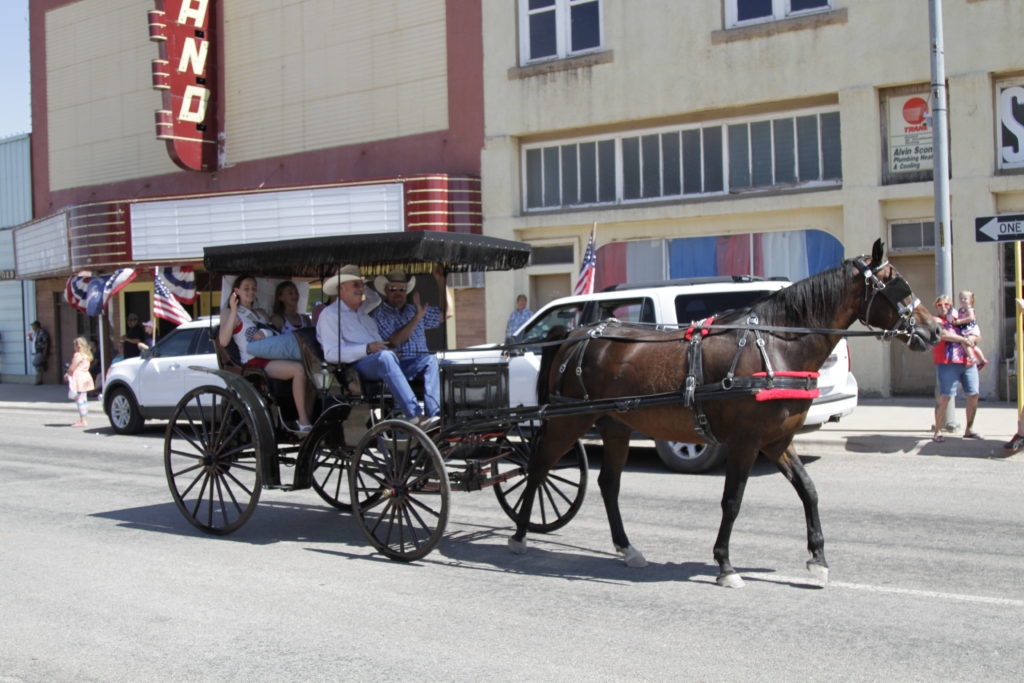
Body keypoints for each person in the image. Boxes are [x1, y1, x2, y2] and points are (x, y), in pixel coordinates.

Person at [315, 264, 438, 429]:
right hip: (355, 368)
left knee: (430, 359)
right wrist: (367, 348)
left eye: (362, 285)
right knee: (385, 357)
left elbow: (376, 299)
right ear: (341, 288)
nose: (361, 289)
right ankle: (415, 416)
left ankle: (434, 415)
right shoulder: (330, 315)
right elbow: (331, 354)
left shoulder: (362, 313)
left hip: (381, 360)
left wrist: (362, 288)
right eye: (355, 285)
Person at [219, 274, 313, 432]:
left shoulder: (261, 312)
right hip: (253, 361)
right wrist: (234, 310)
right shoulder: (229, 313)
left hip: (271, 354)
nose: (251, 292)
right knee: (298, 370)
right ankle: (303, 420)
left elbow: (273, 331)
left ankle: (308, 414)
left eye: (253, 289)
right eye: (246, 288)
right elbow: (223, 340)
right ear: (236, 291)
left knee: (311, 367)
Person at [372, 266, 449, 419]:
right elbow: (395, 340)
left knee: (441, 362)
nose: (398, 292)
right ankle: (432, 416)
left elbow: (447, 313)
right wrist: (417, 318)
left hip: (421, 364)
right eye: (393, 288)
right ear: (386, 290)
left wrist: (442, 282)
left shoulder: (414, 309)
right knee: (431, 360)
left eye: (402, 289)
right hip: (399, 366)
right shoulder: (379, 314)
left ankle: (441, 416)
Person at [931, 294, 981, 443]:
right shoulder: (935, 320)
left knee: (973, 395)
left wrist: (971, 338)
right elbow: (944, 335)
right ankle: (938, 430)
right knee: (945, 396)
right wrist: (963, 339)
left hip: (967, 362)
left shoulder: (961, 318)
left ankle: (969, 429)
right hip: (947, 362)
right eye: (940, 304)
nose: (943, 307)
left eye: (947, 304)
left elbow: (977, 334)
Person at [949, 290, 988, 370]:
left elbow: (971, 318)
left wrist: (959, 321)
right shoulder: (960, 310)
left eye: (965, 299)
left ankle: (972, 358)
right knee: (971, 345)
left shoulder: (969, 309)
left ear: (971, 300)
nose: (963, 300)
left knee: (965, 342)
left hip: (971, 329)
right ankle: (982, 360)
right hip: (965, 330)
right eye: (961, 298)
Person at [64, 336, 94, 427]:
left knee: (79, 399)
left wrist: (67, 374)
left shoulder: (78, 355)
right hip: (85, 377)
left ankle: (83, 420)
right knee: (84, 399)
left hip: (79, 378)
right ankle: (84, 418)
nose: (74, 347)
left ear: (79, 346)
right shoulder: (87, 356)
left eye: (75, 345)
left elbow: (72, 367)